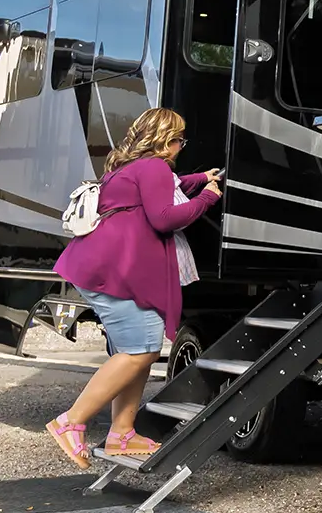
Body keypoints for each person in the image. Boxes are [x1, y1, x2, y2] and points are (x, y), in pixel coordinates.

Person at [45, 108, 221, 467]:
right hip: (118, 271)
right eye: (177, 139)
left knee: (137, 348)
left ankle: (122, 433)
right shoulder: (154, 167)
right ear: (162, 140)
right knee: (140, 350)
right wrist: (208, 197)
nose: (180, 146)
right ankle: (71, 422)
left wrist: (199, 178)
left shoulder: (127, 167)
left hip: (105, 266)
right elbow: (164, 217)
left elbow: (162, 189)